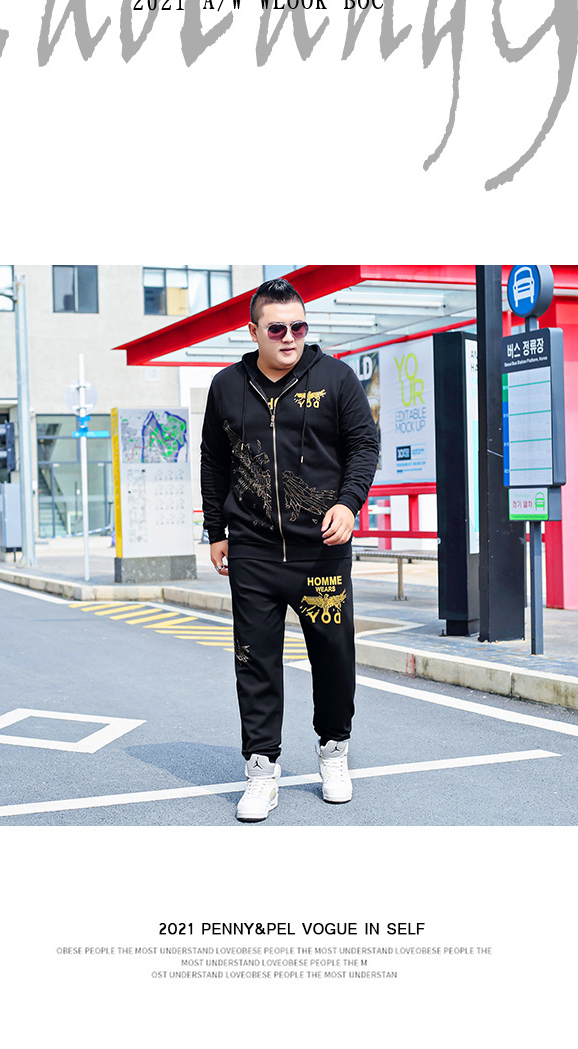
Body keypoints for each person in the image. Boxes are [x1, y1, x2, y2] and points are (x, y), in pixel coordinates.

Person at [200, 278, 379, 822]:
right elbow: (213, 460)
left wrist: (348, 503)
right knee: (255, 662)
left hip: (321, 552)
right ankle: (261, 770)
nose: (289, 338)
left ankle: (334, 751)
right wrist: (216, 530)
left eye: (298, 327)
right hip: (252, 551)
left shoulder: (335, 379)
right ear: (253, 331)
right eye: (276, 328)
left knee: (334, 657)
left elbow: (364, 445)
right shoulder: (226, 386)